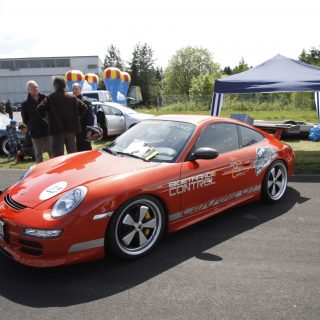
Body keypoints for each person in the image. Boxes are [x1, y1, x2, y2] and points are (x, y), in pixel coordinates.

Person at [37, 76, 88, 157]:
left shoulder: (51, 97)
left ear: (55, 86)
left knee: (58, 156)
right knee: (72, 155)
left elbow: (39, 109)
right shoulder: (72, 97)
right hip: (71, 130)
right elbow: (84, 107)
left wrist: (47, 120)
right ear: (64, 85)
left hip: (57, 130)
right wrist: (77, 118)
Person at [21, 80, 53, 163]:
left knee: (52, 152)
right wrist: (32, 127)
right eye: (33, 88)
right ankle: (39, 173)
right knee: (38, 154)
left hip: (48, 130)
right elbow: (25, 119)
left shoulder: (45, 98)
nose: (35, 89)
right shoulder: (25, 104)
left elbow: (52, 112)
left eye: (36, 87)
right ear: (28, 89)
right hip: (36, 132)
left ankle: (55, 171)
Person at [72, 83, 95, 151]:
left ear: (81, 89)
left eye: (76, 89)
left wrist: (89, 131)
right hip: (75, 131)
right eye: (73, 89)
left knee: (85, 150)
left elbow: (90, 117)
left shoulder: (86, 101)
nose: (74, 91)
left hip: (84, 131)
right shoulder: (72, 100)